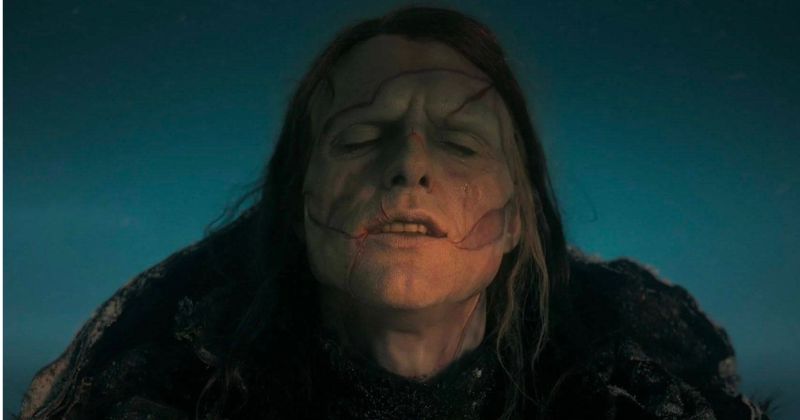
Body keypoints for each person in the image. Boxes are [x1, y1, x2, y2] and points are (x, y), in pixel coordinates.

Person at [20, 7, 767, 419]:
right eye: (358, 138)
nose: (409, 166)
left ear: (516, 220)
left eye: (462, 143)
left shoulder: (625, 388)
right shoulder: (172, 385)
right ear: (297, 203)